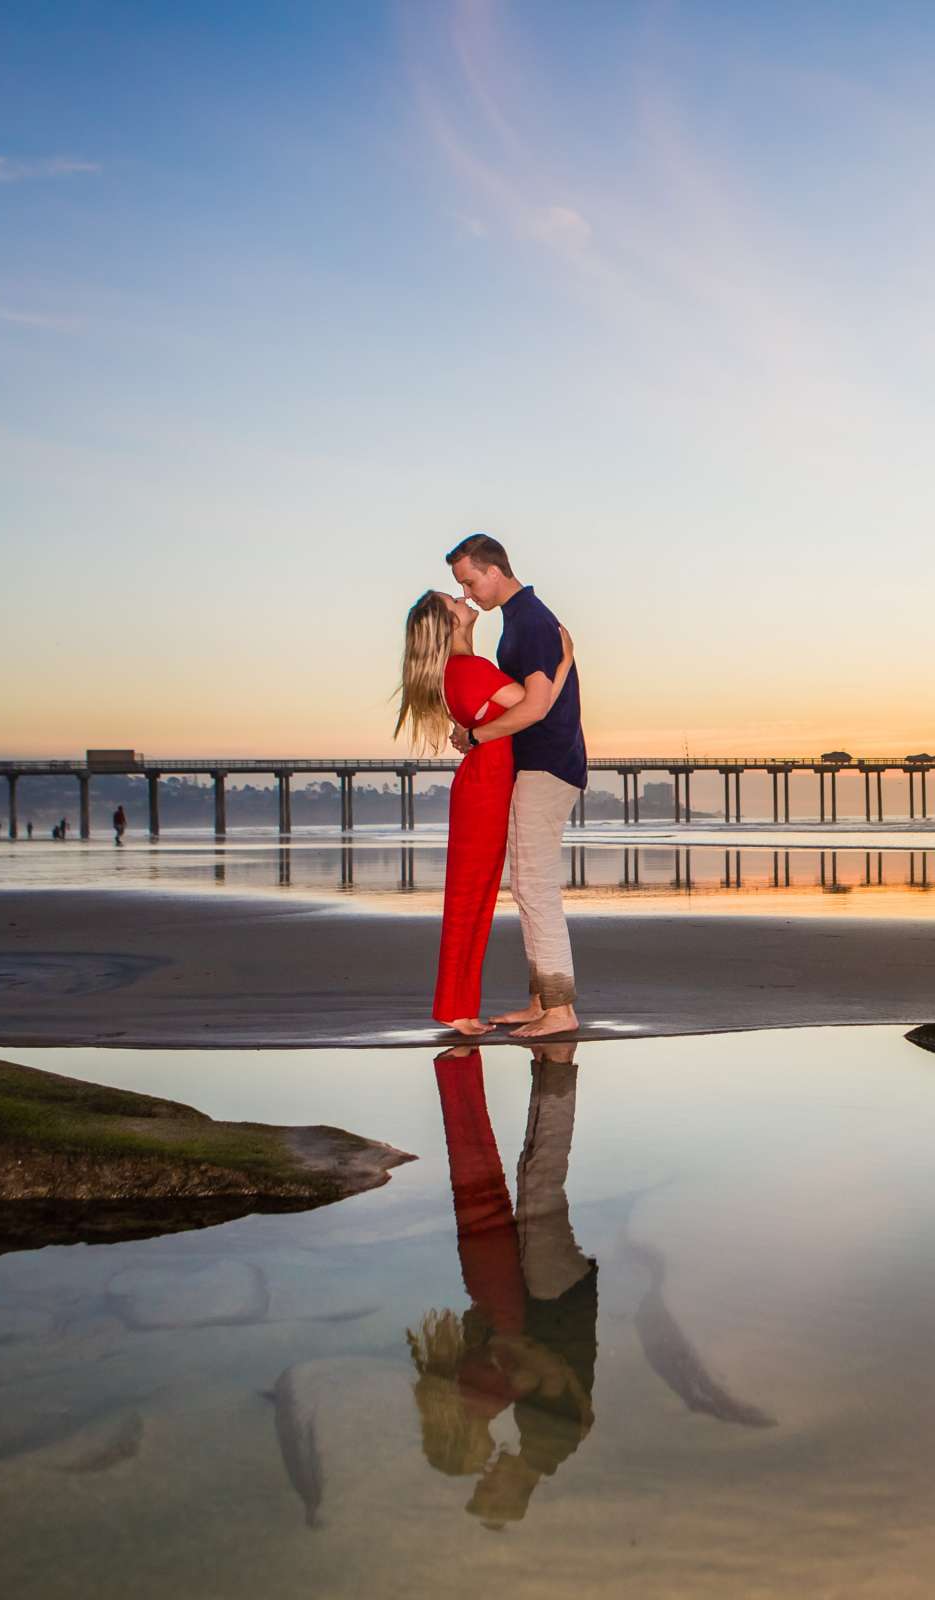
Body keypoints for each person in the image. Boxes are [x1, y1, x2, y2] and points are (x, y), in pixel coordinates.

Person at [407, 1043, 597, 1528]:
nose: (490, 1473)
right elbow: (552, 1375)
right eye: (492, 1487)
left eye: (483, 1480)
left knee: (536, 1177)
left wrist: (510, 1349)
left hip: (548, 1296)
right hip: (554, 1295)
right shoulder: (546, 1441)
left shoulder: (537, 1441)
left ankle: (551, 1064)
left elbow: (552, 1382)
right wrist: (513, 1347)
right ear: (515, 1495)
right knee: (539, 1181)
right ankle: (556, 1064)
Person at [395, 588, 573, 1035]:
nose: (462, 599)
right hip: (484, 790)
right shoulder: (469, 669)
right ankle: (455, 1008)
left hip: (488, 786)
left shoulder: (465, 669)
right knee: (468, 898)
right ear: (448, 623)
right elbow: (540, 706)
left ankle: (460, 1006)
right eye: (453, 601)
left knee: (474, 896)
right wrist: (565, 660)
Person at [448, 533, 586, 1038]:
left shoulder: (528, 621)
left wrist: (476, 735)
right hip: (539, 764)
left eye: (468, 581)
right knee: (528, 883)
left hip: (547, 765)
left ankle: (560, 1009)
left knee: (535, 887)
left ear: (494, 570)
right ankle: (540, 1001)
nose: (467, 593)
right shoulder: (524, 620)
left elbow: (536, 706)